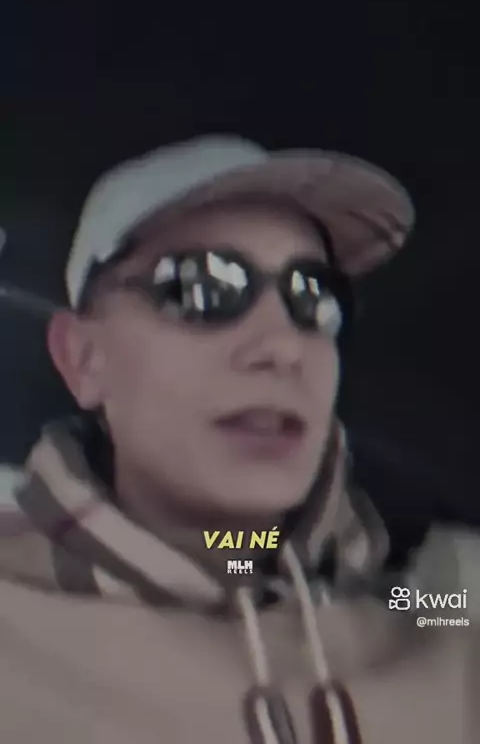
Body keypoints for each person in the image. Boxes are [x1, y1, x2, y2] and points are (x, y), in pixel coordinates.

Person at [0, 135, 478, 743]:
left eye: (314, 297)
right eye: (199, 288)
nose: (283, 346)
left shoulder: (430, 603)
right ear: (83, 357)